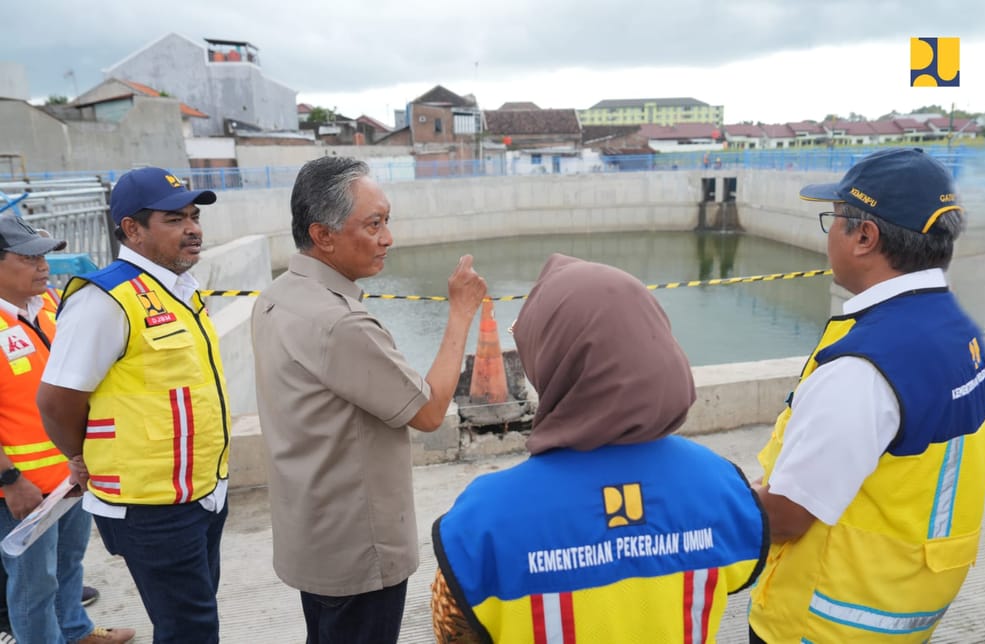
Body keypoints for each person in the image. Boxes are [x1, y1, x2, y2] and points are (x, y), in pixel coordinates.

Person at [431, 253, 769, 643]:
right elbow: (740, 571)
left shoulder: (483, 519)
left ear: (554, 359)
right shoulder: (723, 487)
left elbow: (453, 629)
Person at [749, 148, 985, 643]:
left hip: (821, 624)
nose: (828, 236)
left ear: (865, 236)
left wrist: (706, 496)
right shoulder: (960, 333)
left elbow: (789, 517)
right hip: (906, 608)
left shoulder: (863, 367)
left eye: (833, 220)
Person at [251, 156, 487, 644]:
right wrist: (461, 313)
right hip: (359, 548)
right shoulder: (340, 324)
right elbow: (428, 411)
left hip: (312, 533)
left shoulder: (276, 297)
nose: (388, 238)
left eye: (387, 221)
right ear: (323, 235)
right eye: (373, 224)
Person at [37, 167, 231, 644]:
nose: (193, 228)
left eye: (194, 215)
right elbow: (58, 399)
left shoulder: (181, 289)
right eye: (174, 219)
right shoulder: (105, 299)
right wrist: (79, 457)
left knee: (194, 619)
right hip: (151, 506)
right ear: (132, 229)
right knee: (190, 630)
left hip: (203, 492)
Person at [0, 214, 135, 644]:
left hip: (72, 474)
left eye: (44, 256)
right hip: (23, 490)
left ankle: (76, 632)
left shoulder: (56, 307)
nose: (44, 265)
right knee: (32, 583)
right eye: (29, 257)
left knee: (69, 565)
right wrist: (10, 480)